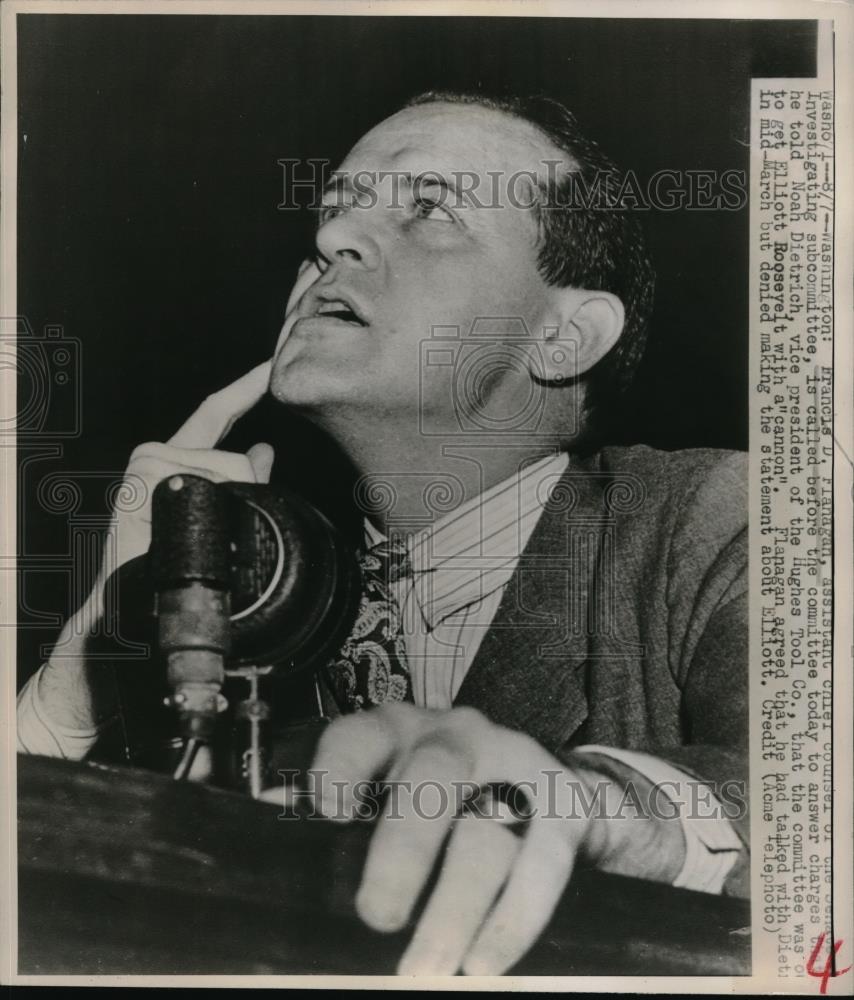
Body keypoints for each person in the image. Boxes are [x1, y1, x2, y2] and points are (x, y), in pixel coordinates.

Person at [17, 91, 748, 976]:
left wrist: (595, 805)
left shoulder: (721, 516)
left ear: (562, 337)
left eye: (428, 208)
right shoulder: (264, 591)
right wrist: (87, 669)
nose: (328, 242)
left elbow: (822, 802)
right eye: (334, 212)